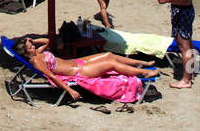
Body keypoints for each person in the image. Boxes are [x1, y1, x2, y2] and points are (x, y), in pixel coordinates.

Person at [15, 35, 156, 103]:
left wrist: (32, 40)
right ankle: (144, 72)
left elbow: (47, 41)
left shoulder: (37, 53)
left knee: (109, 55)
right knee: (111, 63)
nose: (33, 47)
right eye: (30, 47)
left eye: (32, 45)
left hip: (77, 62)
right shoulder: (35, 61)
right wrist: (69, 90)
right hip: (79, 71)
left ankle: (140, 63)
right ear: (26, 53)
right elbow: (51, 76)